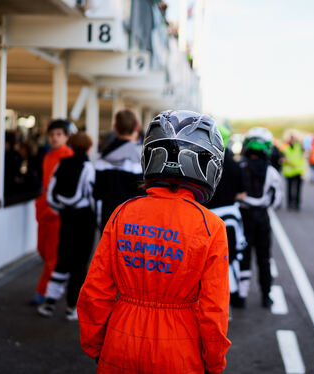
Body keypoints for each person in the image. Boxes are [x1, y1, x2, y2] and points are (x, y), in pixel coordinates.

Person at [77, 110, 231, 373]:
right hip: (180, 350)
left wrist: (95, 346)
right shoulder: (210, 226)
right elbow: (214, 310)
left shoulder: (123, 213)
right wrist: (214, 362)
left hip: (120, 340)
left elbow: (94, 292)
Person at [38, 131, 96, 320]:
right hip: (84, 219)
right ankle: (72, 307)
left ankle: (49, 303)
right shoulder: (88, 166)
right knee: (79, 264)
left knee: (62, 259)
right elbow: (90, 193)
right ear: (88, 147)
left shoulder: (61, 164)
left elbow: (50, 194)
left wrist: (61, 209)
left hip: (66, 217)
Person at [205, 123, 248, 309]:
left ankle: (210, 298)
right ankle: (232, 295)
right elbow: (241, 194)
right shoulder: (234, 164)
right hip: (230, 217)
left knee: (207, 261)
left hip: (207, 216)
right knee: (231, 257)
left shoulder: (203, 160)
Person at [31, 120, 74, 306]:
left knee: (51, 254)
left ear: (66, 137)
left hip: (58, 213)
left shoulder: (69, 156)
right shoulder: (48, 156)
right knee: (42, 250)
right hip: (44, 213)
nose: (55, 138)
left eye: (59, 134)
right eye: (52, 135)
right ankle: (58, 280)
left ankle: (44, 291)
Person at [238, 127, 283, 308]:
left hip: (244, 216)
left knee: (243, 256)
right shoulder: (272, 172)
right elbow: (277, 200)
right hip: (262, 217)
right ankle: (266, 295)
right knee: (264, 258)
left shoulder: (240, 166)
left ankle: (241, 296)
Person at [94, 109, 144, 230]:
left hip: (108, 217)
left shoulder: (103, 156)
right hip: (132, 221)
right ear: (137, 128)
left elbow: (97, 192)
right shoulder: (140, 157)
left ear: (115, 128)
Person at [281, 134, 305, 210]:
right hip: (289, 172)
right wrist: (286, 162)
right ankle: (289, 204)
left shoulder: (299, 147)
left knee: (298, 189)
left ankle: (297, 204)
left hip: (298, 171)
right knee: (289, 189)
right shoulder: (285, 147)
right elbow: (282, 159)